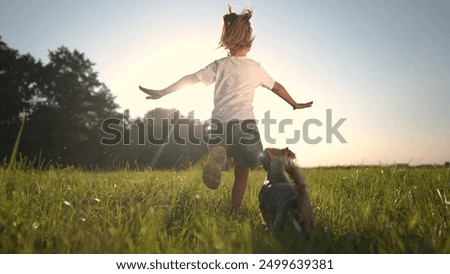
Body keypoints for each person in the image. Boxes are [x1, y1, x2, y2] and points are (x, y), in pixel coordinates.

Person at [139, 6, 313, 212]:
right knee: (245, 169)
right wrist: (294, 104)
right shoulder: (255, 68)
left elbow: (191, 79)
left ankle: (220, 158)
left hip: (219, 124)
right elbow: (278, 87)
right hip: (245, 124)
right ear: (249, 42)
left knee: (221, 149)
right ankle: (234, 208)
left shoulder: (220, 65)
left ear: (227, 40)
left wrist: (163, 91)